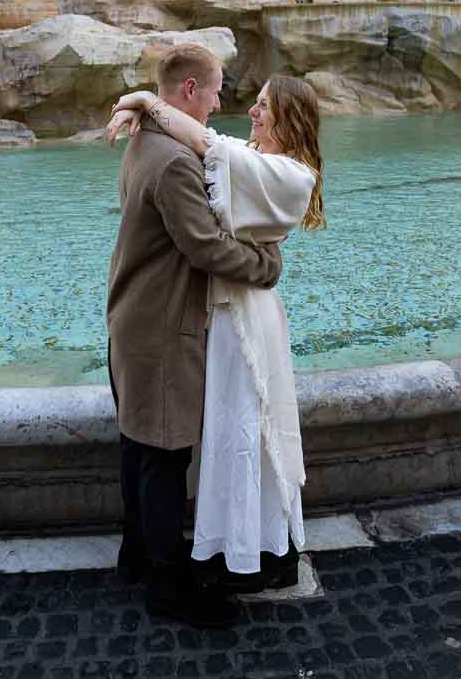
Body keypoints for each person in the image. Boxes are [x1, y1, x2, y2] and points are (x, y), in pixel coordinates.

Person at [107, 72, 325, 595]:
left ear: (290, 116)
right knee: (228, 435)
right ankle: (229, 546)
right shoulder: (251, 153)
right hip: (222, 312)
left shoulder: (292, 173)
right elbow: (207, 141)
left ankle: (258, 552)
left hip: (246, 314)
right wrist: (147, 108)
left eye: (264, 105)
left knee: (249, 432)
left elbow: (205, 142)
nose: (249, 110)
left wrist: (144, 102)